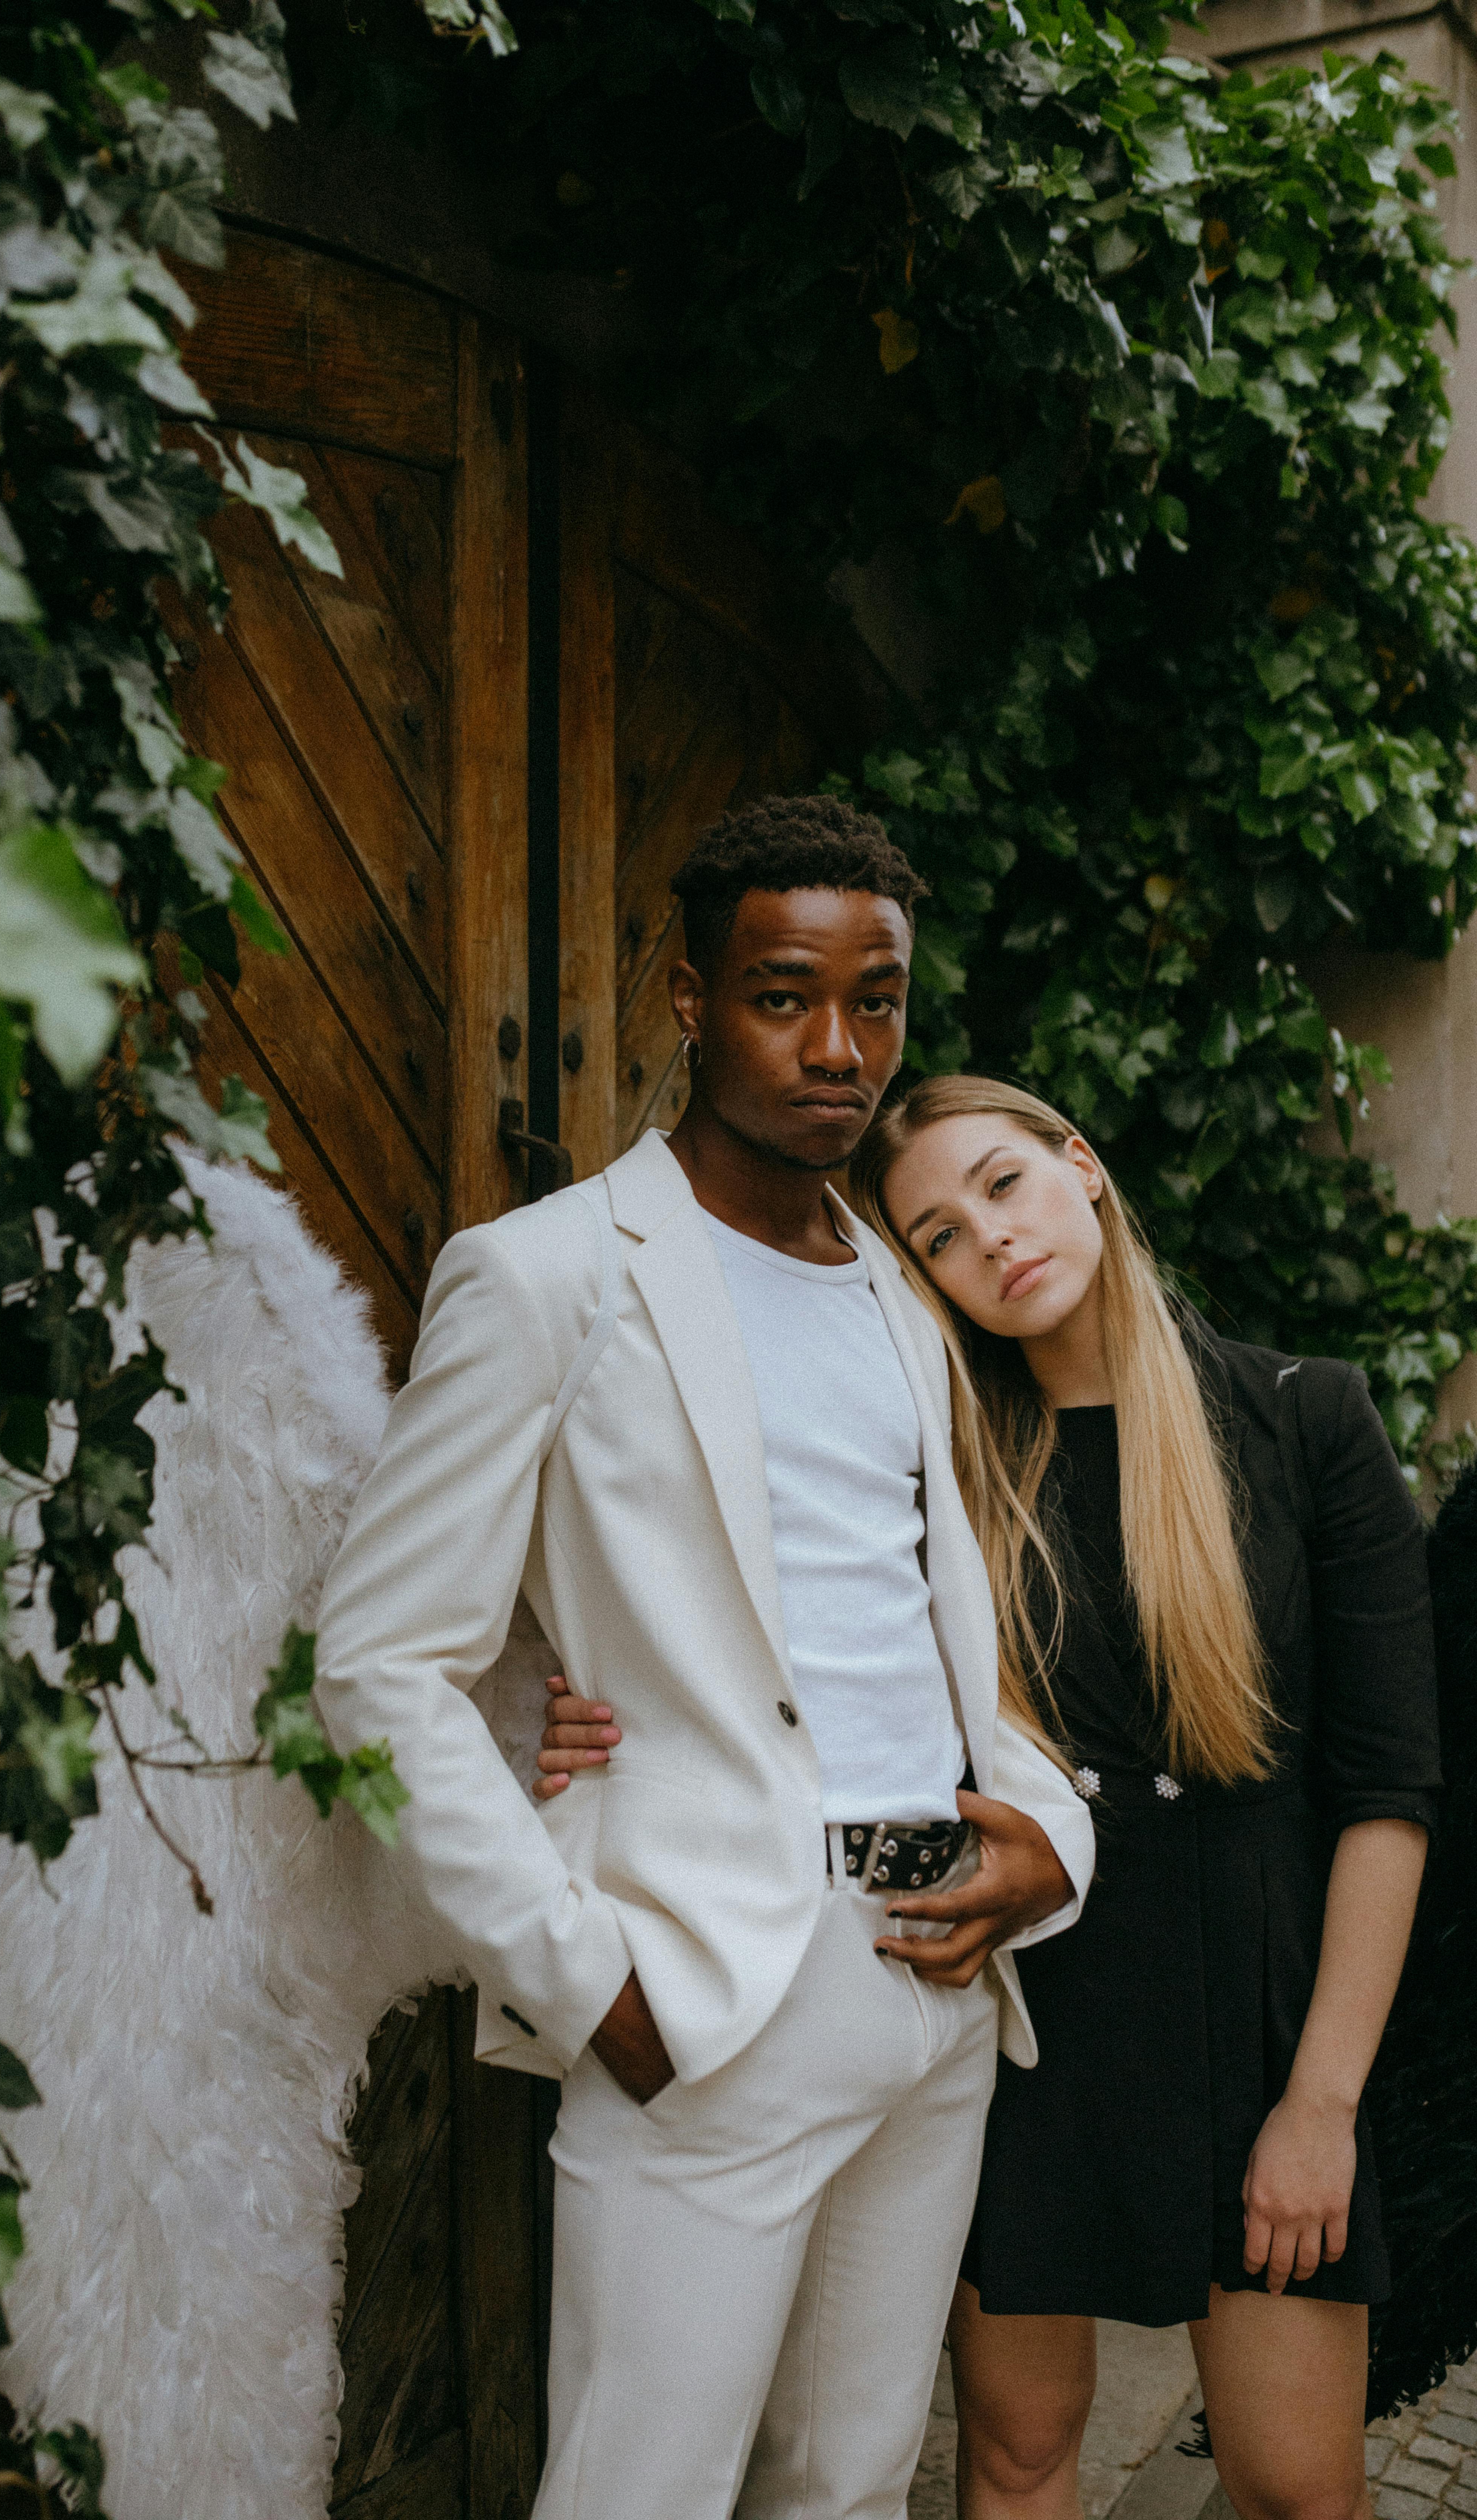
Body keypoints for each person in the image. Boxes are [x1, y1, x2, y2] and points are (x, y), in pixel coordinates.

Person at [313, 798, 1095, 2520]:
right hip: (709, 1990)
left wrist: (1048, 1840)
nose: (838, 1047)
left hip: (935, 1970)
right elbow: (377, 1665)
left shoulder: (900, 1296)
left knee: (854, 2489)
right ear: (688, 999)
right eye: (783, 995)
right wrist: (585, 1976)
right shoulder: (549, 1279)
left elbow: (944, 1617)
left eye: (876, 1001)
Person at [541, 1068, 1440, 2520]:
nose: (991, 1242)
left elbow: (1388, 1797)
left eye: (1002, 1187)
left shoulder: (1305, 1419)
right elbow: (761, 1627)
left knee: (1297, 2493)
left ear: (1079, 1165)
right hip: (1029, 2011)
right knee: (1018, 2462)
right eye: (940, 1237)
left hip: (1261, 2022)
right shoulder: (948, 1459)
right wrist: (580, 1714)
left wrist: (1321, 2104)